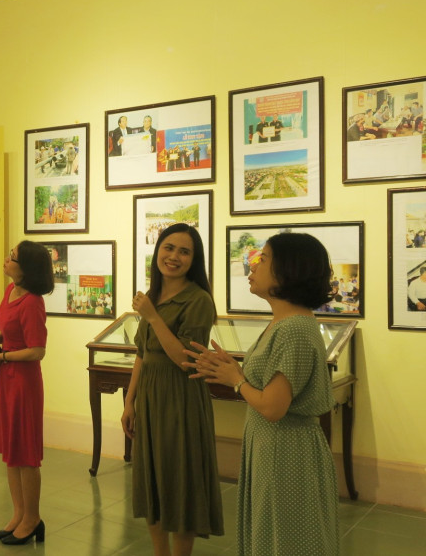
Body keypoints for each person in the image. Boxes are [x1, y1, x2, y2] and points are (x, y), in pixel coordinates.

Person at [184, 232, 339, 556]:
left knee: (288, 539)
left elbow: (272, 407)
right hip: (273, 446)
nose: (253, 265)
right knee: (272, 535)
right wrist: (233, 369)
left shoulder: (294, 329)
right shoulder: (283, 323)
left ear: (288, 270)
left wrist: (236, 380)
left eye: (263, 259)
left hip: (287, 452)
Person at [121, 223, 223, 555]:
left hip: (180, 398)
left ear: (195, 260)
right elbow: (142, 354)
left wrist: (153, 317)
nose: (174, 256)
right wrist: (130, 401)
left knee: (181, 480)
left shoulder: (198, 300)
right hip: (150, 398)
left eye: (184, 251)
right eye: (168, 247)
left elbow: (185, 360)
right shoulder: (153, 297)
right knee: (150, 477)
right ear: (157, 251)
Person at [0, 241, 54, 546]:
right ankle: (19, 514)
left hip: (23, 383)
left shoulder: (33, 302)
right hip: (7, 380)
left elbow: (37, 350)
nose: (6, 260)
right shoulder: (11, 291)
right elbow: (10, 330)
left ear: (27, 269)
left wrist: (4, 357)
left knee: (26, 455)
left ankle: (33, 518)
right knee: (12, 452)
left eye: (12, 258)